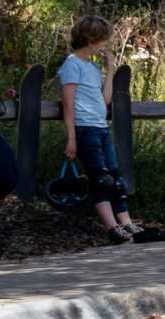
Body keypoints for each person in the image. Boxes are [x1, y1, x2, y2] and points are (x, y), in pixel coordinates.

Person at [58, 15, 138, 242]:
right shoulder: (71, 65)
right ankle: (112, 228)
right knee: (101, 178)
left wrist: (110, 70)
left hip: (101, 127)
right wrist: (71, 138)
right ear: (90, 39)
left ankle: (127, 223)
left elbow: (104, 100)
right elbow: (68, 103)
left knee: (116, 177)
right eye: (103, 40)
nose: (105, 45)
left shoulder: (92, 67)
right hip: (84, 129)